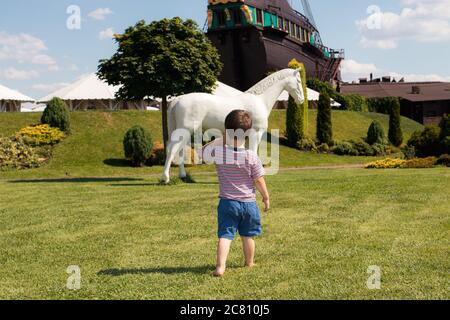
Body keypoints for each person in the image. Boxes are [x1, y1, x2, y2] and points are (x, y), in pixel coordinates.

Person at [203, 110, 270, 277]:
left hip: (227, 203)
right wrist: (266, 197)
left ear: (226, 131)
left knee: (225, 235)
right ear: (247, 134)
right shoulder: (251, 156)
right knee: (248, 236)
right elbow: (259, 180)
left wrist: (220, 140)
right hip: (249, 204)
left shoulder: (219, 153)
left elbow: (202, 153)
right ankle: (249, 262)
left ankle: (220, 267)